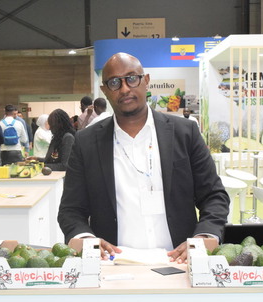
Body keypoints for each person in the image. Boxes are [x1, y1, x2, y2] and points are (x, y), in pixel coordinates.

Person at [58, 52, 230, 263]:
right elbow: (71, 209)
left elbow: (214, 195)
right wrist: (86, 240)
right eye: (114, 82)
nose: (124, 89)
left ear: (146, 80)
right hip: (113, 264)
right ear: (105, 90)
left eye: (132, 78)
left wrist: (203, 238)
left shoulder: (185, 133)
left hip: (181, 262)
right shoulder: (86, 142)